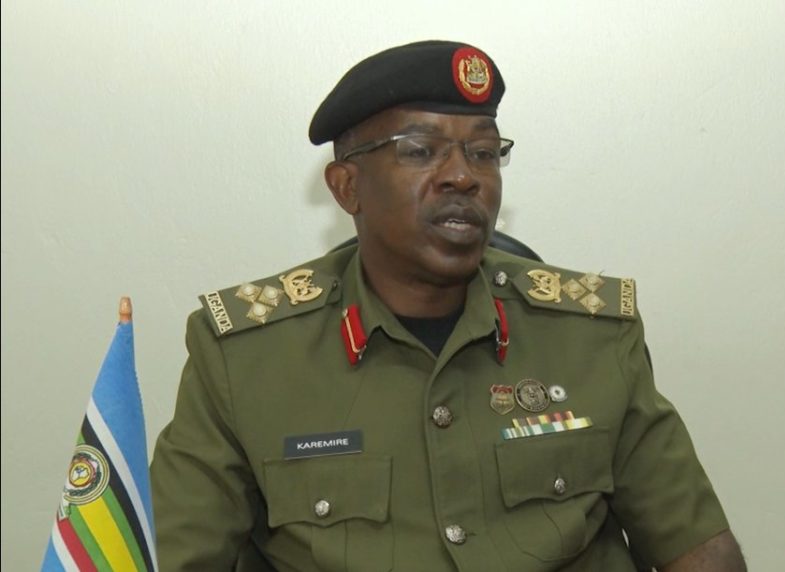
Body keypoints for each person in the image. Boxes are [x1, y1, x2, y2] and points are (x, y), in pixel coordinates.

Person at [150, 40, 746, 571]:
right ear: (347, 187)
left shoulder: (591, 336)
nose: (463, 177)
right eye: (420, 150)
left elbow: (698, 548)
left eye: (484, 153)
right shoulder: (245, 358)